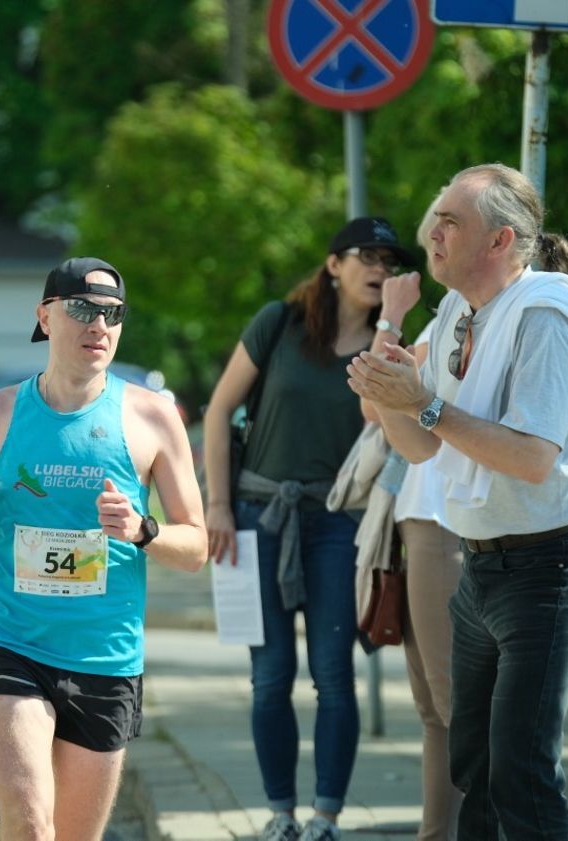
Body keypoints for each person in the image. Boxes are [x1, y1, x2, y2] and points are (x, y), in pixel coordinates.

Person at [347, 163, 568, 840]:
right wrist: (402, 401)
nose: (432, 228)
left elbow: (530, 456)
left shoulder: (547, 314)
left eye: (451, 219)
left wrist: (420, 404)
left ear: (500, 240)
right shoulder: (459, 310)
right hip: (482, 566)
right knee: (474, 765)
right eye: (436, 213)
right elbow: (420, 447)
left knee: (521, 769)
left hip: (555, 566)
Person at [0, 256, 207, 841]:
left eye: (112, 314)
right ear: (45, 316)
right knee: (34, 828)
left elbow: (196, 546)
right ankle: (12, 820)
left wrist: (143, 529)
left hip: (105, 655)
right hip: (10, 640)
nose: (98, 325)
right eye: (82, 310)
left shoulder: (153, 416)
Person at [203, 217, 417, 841]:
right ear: (333, 265)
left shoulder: (393, 345)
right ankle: (279, 815)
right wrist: (217, 504)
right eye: (365, 256)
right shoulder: (280, 322)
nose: (378, 268)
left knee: (333, 674)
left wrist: (391, 325)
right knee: (269, 676)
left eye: (389, 259)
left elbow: (377, 409)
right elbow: (219, 412)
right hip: (255, 516)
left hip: (337, 523)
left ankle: (325, 817)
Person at [357, 196, 465, 840]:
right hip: (418, 519)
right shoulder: (447, 320)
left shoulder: (462, 322)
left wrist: (391, 316)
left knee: (451, 704)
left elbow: (376, 400)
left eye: (438, 241)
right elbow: (380, 405)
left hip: (442, 523)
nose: (431, 254)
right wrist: (395, 322)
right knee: (432, 708)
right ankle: (435, 833)